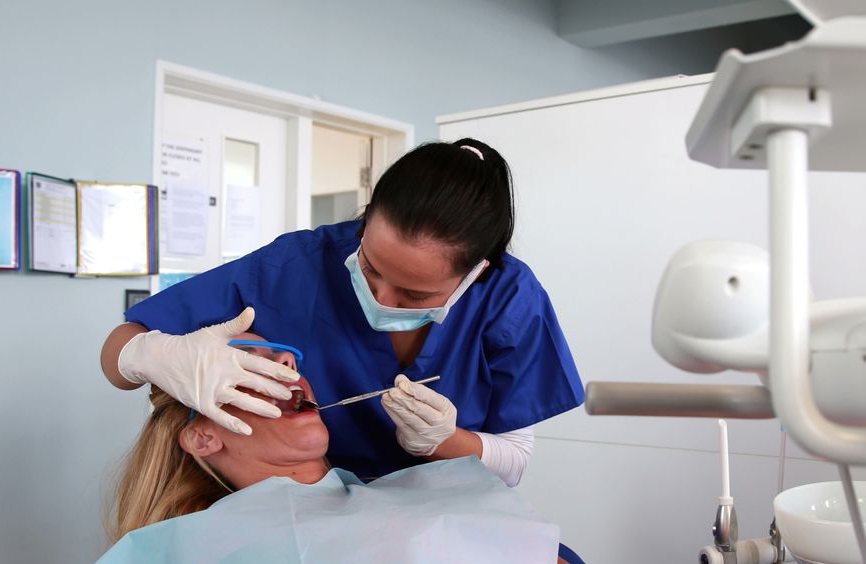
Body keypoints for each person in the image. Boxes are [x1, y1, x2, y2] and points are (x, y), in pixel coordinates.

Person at [99, 138, 584, 486]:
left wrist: (442, 440)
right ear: (367, 216)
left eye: (414, 296)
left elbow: (514, 461)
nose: (381, 300)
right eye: (370, 269)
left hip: (446, 517)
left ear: (477, 273)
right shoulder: (291, 269)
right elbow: (117, 354)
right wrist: (154, 355)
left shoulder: (509, 298)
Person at [98, 332, 584, 564]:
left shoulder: (406, 500)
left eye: (281, 355)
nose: (287, 361)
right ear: (204, 436)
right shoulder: (184, 553)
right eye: (250, 366)